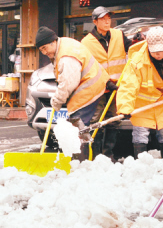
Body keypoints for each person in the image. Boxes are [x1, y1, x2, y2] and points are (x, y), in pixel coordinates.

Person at [36, 26, 109, 161]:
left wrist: (56, 101)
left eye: (44, 48)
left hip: (88, 89)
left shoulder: (66, 56)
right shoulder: (64, 44)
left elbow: (68, 83)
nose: (44, 53)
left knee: (78, 127)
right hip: (91, 85)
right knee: (84, 127)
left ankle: (80, 163)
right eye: (41, 50)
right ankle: (88, 160)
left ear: (53, 42)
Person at [116, 26, 163, 162]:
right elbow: (128, 85)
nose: (158, 54)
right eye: (155, 51)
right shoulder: (138, 61)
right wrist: (125, 107)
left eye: (161, 50)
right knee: (140, 134)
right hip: (142, 105)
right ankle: (140, 165)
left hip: (162, 103)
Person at [81, 6, 133, 161]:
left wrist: (135, 44)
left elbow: (131, 49)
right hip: (98, 89)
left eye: (108, 18)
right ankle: (95, 156)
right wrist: (105, 83)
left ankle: (108, 155)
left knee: (114, 121)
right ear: (95, 21)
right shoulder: (86, 42)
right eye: (103, 19)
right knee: (96, 122)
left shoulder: (118, 35)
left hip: (116, 87)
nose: (107, 21)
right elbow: (87, 68)